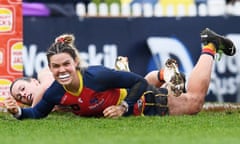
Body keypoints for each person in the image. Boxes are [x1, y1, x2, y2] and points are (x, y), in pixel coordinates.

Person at [4, 28, 236, 119]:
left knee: (194, 102)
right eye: (56, 67)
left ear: (75, 62)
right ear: (51, 69)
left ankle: (210, 45)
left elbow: (136, 83)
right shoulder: (55, 92)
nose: (61, 70)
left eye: (65, 64)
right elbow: (35, 113)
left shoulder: (94, 75)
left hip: (142, 103)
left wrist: (124, 107)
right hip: (129, 99)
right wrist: (17, 112)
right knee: (141, 81)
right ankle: (164, 76)